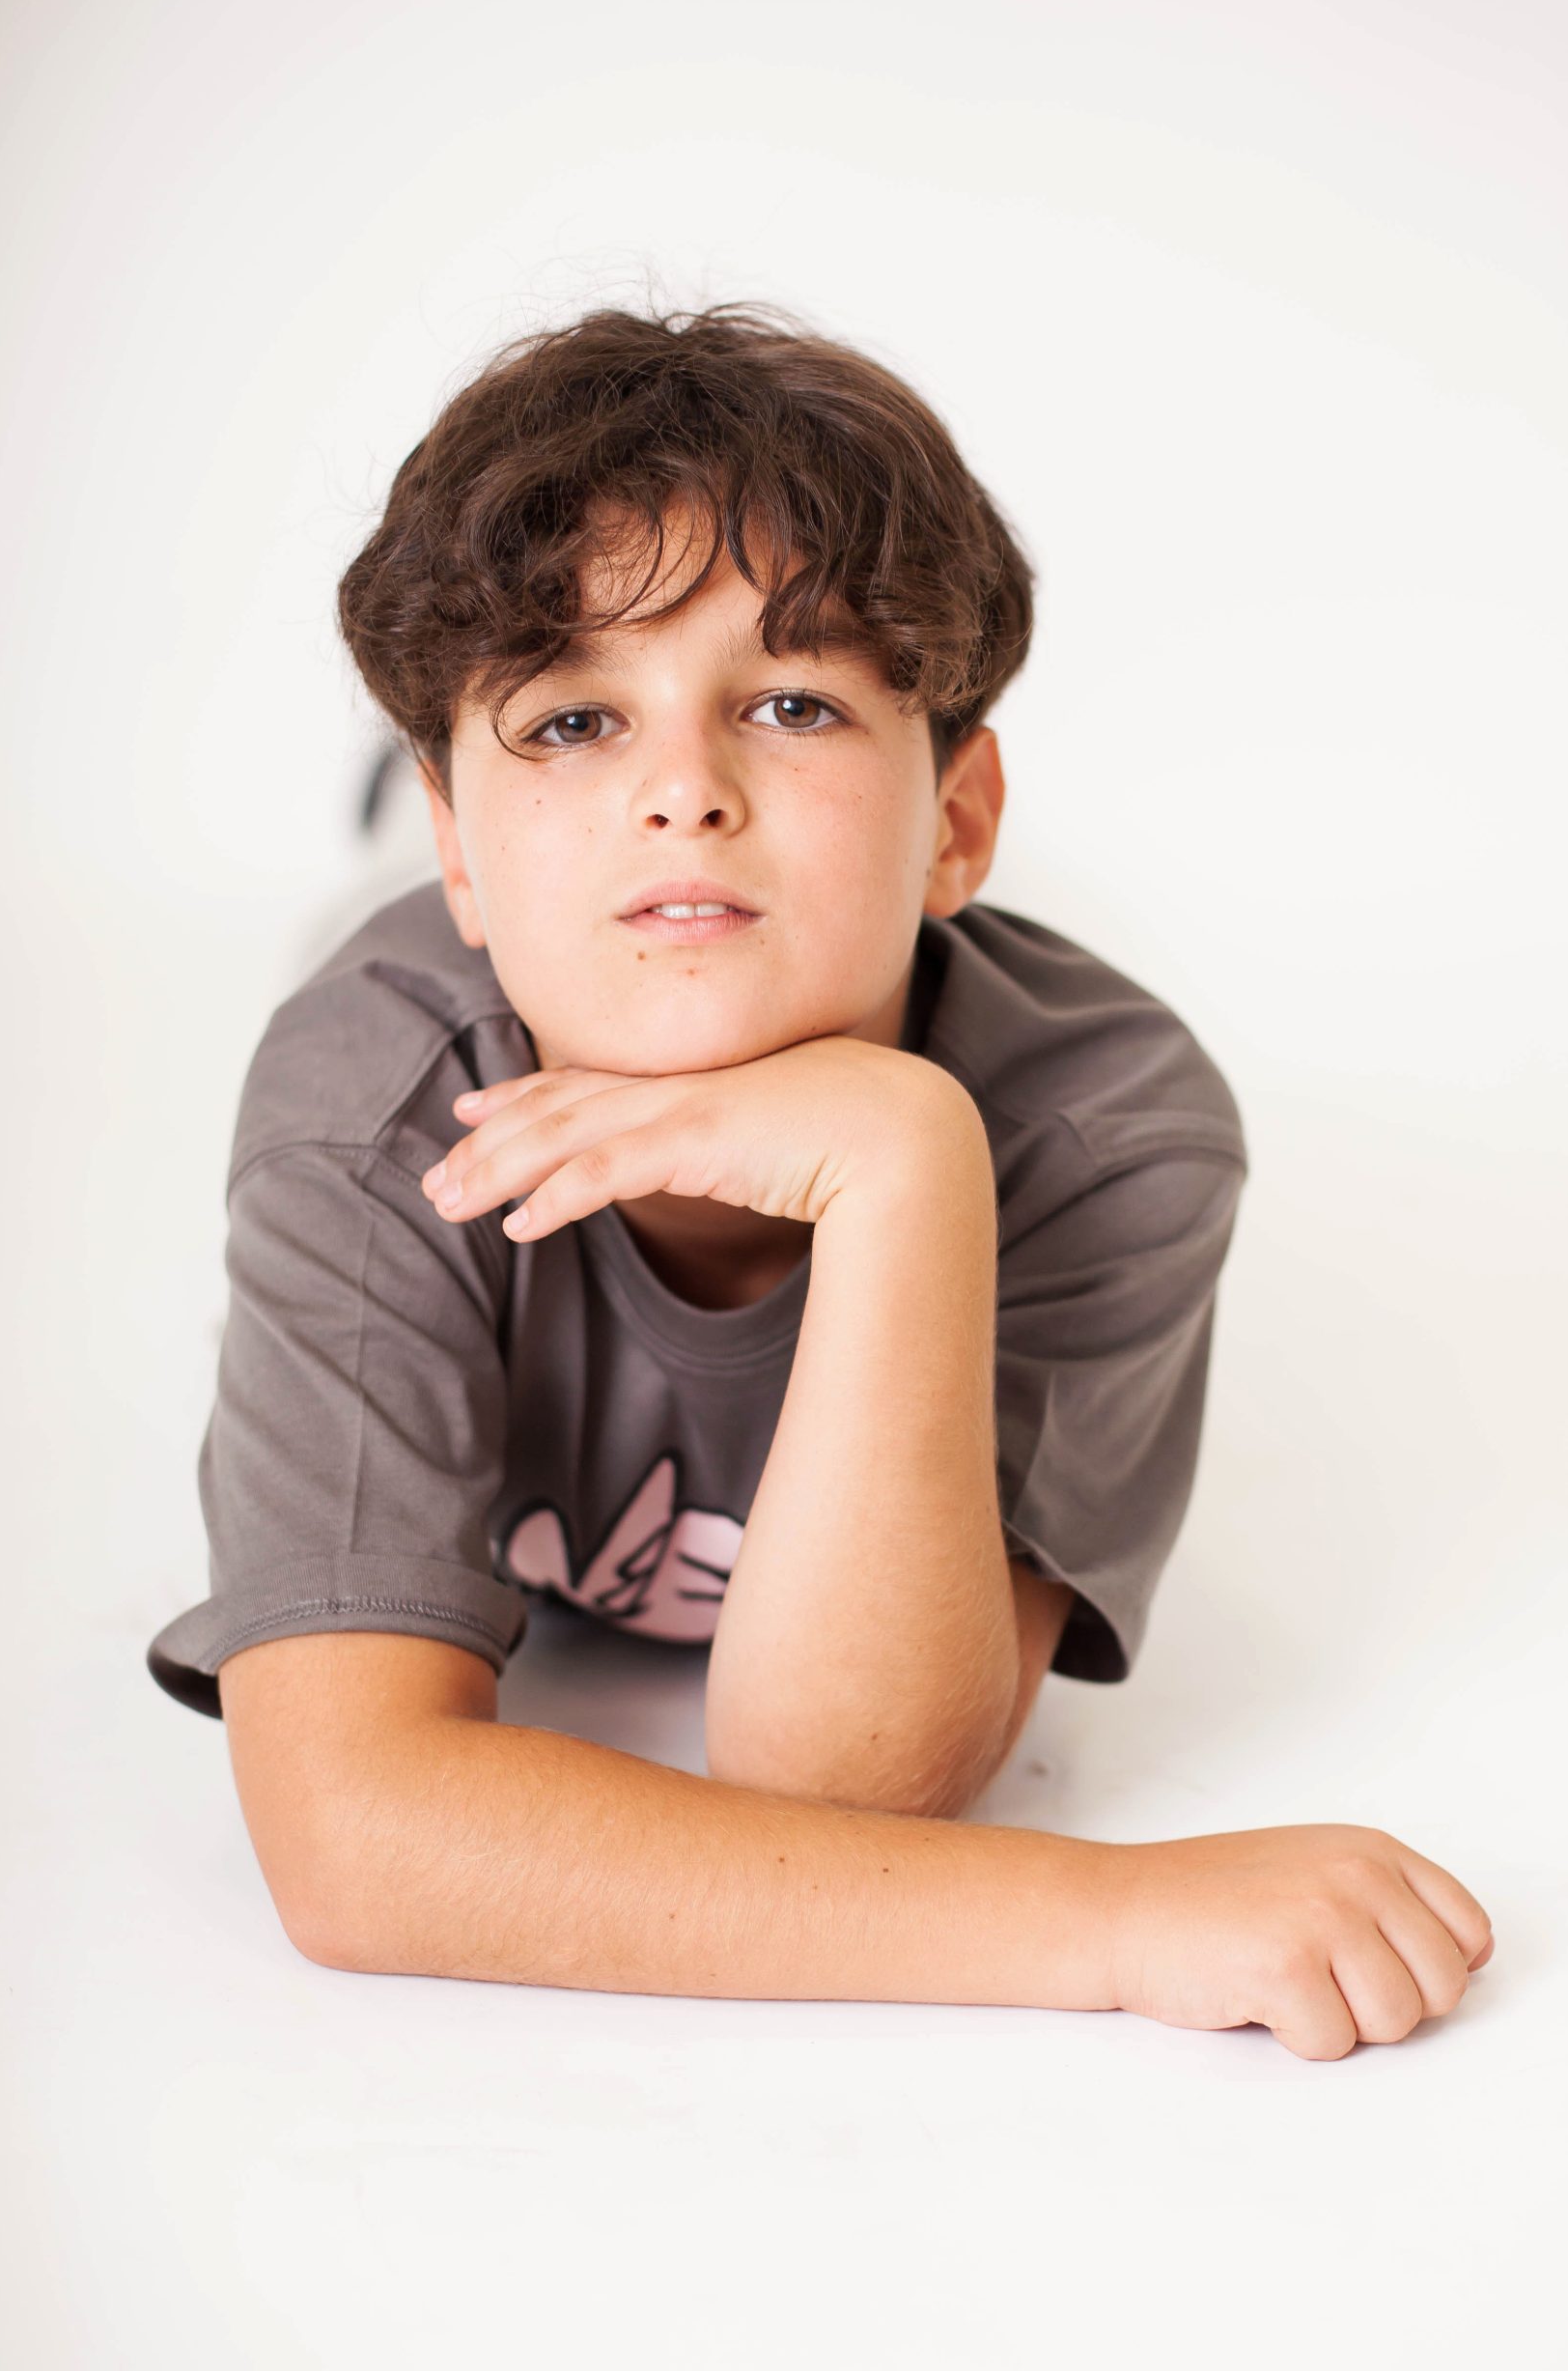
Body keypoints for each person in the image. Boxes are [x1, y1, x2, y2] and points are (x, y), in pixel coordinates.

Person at [145, 301, 1494, 2059]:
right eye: (571, 719)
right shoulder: (375, 1106)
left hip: (873, 978)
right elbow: (352, 1836)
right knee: (371, 924)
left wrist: (902, 1160)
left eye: (791, 702)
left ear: (961, 821)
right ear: (461, 849)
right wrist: (1112, 1919)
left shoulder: (1110, 1131)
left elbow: (846, 1789)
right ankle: (400, 812)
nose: (683, 790)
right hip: (447, 960)